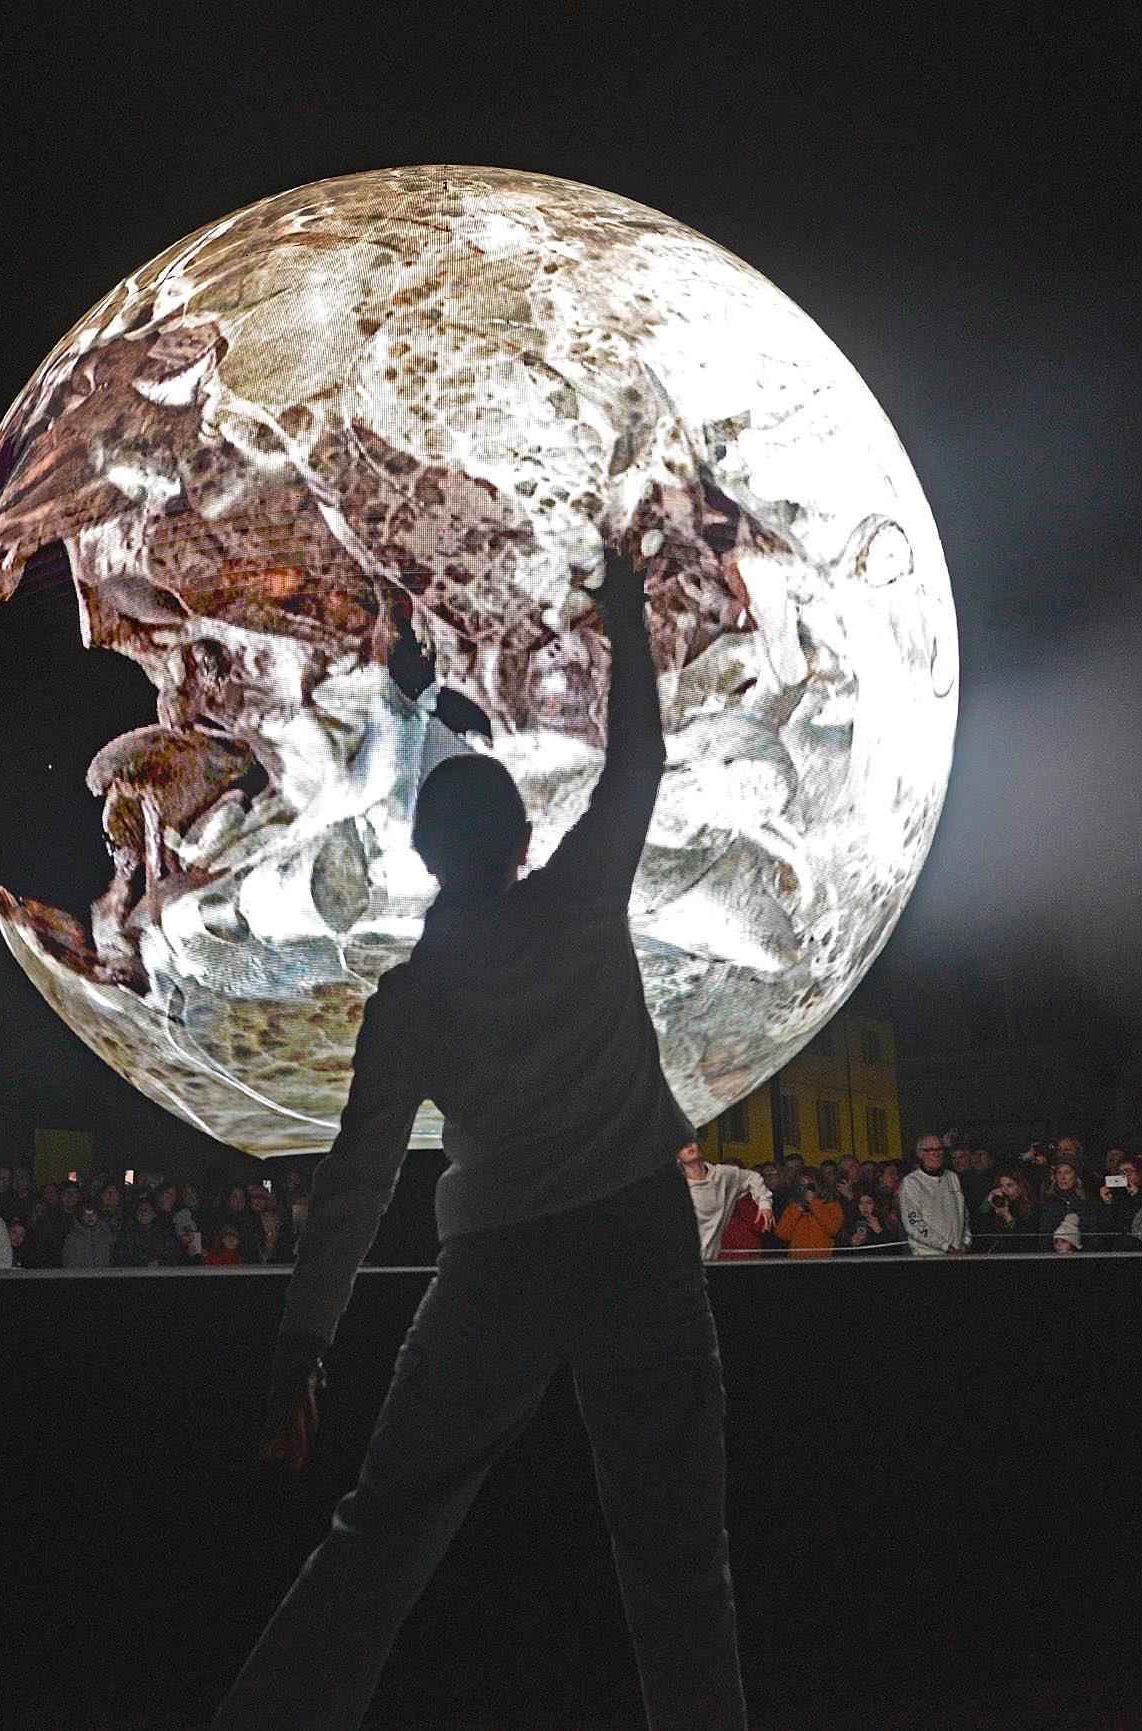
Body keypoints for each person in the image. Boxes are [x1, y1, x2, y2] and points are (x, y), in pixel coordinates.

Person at [216, 527, 745, 1731]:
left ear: (415, 856)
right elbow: (641, 758)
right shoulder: (577, 900)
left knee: (379, 1534)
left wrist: (303, 1345)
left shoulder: (405, 1006)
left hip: (496, 1263)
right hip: (636, 1240)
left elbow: (353, 1184)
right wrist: (618, 610)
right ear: (520, 840)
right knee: (679, 1560)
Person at [680, 1145, 771, 1263]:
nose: (688, 1145)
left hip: (710, 1261)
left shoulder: (722, 1174)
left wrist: (764, 1203)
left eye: (691, 1140)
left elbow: (752, 1177)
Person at [899, 1134, 970, 1257]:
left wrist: (966, 1242)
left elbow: (964, 1214)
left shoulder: (952, 1177)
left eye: (939, 1149)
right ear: (920, 1153)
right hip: (927, 1255)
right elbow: (913, 1223)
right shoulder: (911, 1182)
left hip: (958, 1254)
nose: (936, 1153)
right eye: (930, 1150)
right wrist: (944, 1246)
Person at [772, 1174, 843, 1258]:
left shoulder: (831, 1204)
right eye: (802, 1185)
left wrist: (814, 1204)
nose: (806, 1189)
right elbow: (782, 1234)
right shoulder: (794, 1206)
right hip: (797, 1259)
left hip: (823, 1258)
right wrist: (798, 1209)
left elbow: (833, 1230)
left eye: (810, 1186)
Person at [975, 1169, 1036, 1252]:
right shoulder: (998, 1204)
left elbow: (1022, 1238)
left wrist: (1007, 1216)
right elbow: (978, 1221)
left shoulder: (1030, 1208)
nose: (1004, 1190)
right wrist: (989, 1199)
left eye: (1009, 1185)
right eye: (1001, 1186)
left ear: (1020, 1187)